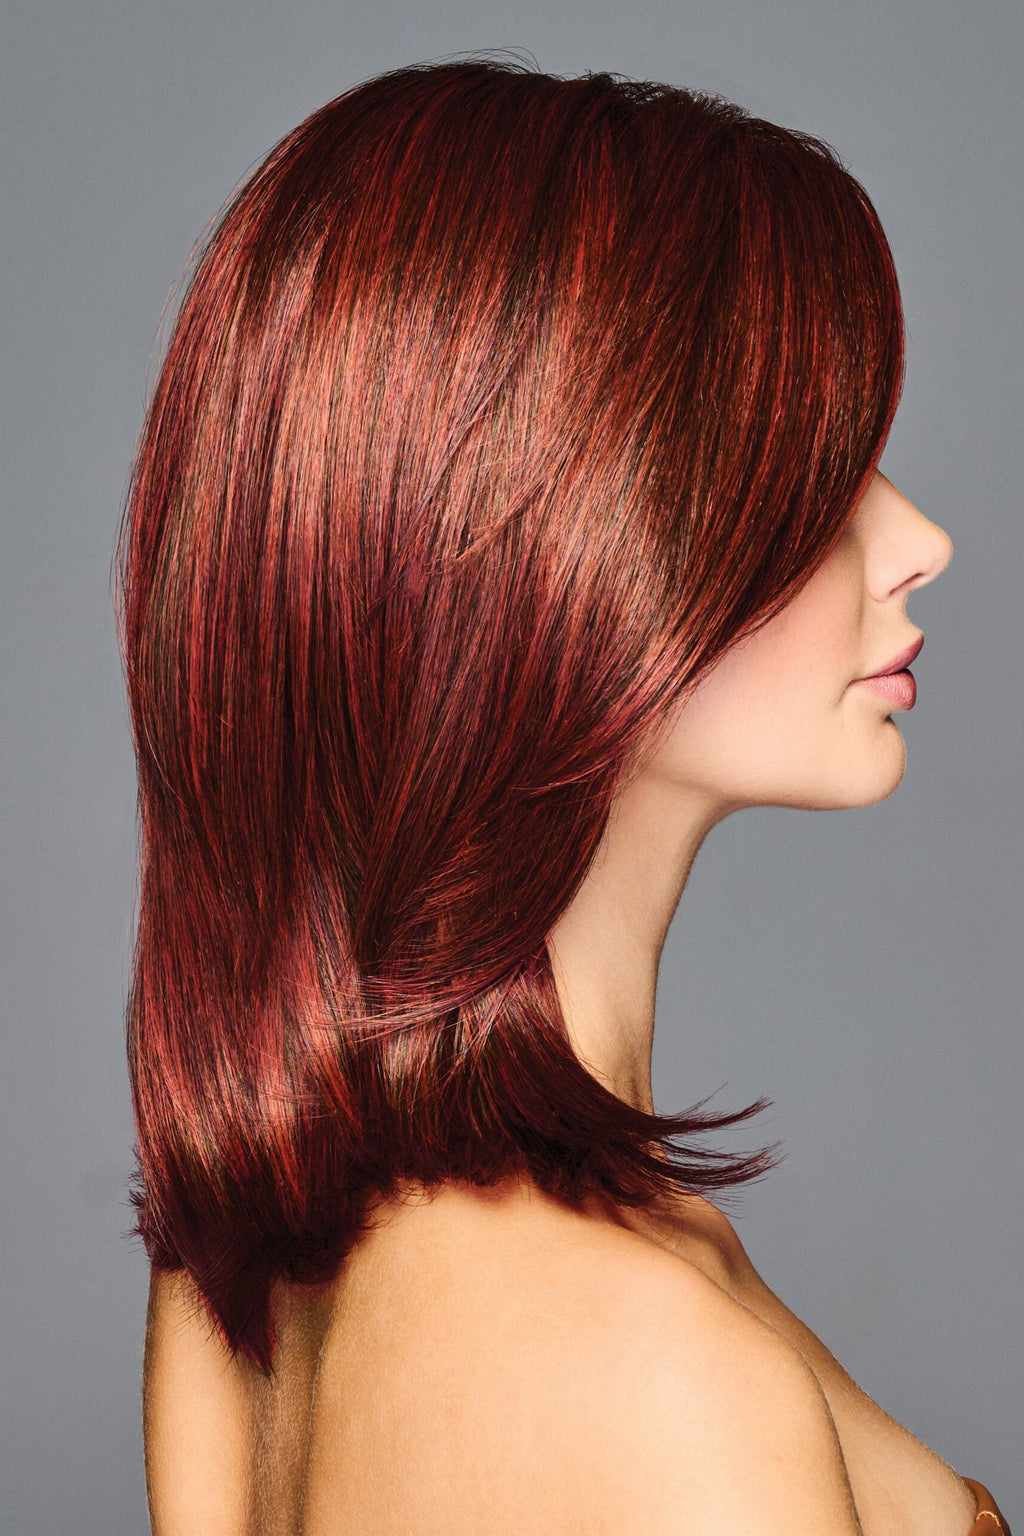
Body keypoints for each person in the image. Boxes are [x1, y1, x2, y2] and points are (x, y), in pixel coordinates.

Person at [119, 58, 1010, 1536]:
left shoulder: (257, 1263)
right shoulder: (643, 1367)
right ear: (549, 557)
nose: (919, 539)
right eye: (812, 473)